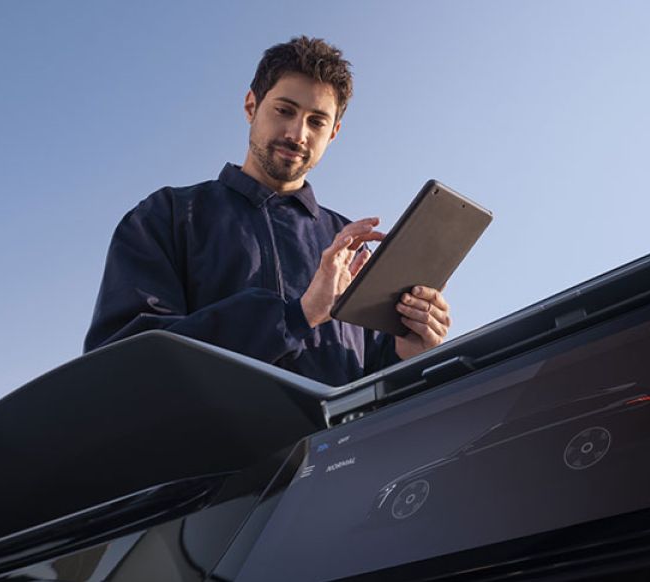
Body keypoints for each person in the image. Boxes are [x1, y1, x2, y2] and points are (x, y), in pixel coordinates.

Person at [84, 36, 452, 385]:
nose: (297, 133)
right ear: (251, 106)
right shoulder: (168, 216)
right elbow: (125, 363)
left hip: (338, 452)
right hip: (207, 450)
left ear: (334, 132)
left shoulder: (352, 249)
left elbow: (374, 386)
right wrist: (297, 316)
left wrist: (409, 355)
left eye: (316, 121)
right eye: (284, 110)